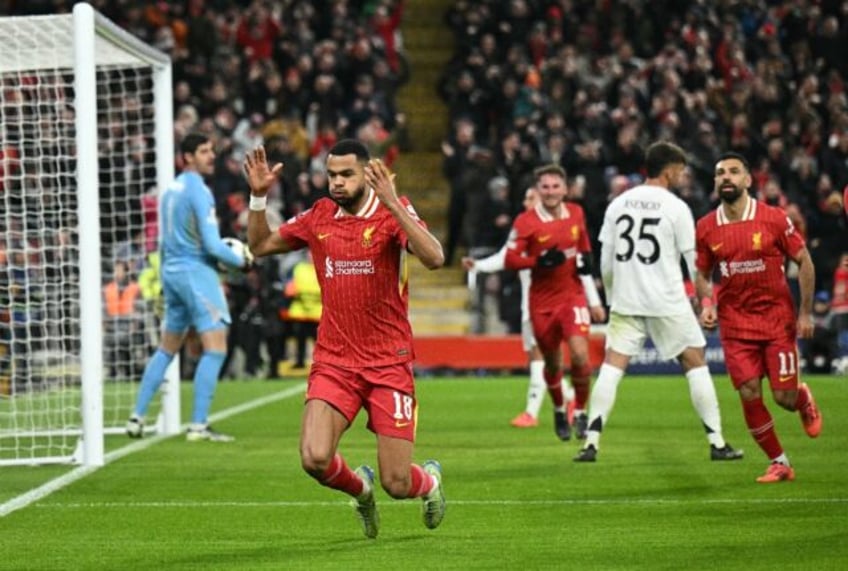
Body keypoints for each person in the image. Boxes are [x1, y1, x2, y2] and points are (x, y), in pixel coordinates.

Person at [243, 140, 446, 539]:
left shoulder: (390, 213)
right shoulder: (319, 216)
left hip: (388, 362)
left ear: (368, 173)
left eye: (346, 174)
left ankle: (432, 483)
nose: (336, 182)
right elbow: (260, 245)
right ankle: (361, 489)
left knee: (399, 483)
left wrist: (393, 203)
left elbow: (435, 258)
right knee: (314, 458)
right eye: (332, 174)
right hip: (335, 361)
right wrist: (258, 197)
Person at [575, 141, 742, 463]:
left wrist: (613, 298)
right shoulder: (675, 207)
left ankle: (591, 444)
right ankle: (717, 442)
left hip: (626, 300)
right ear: (669, 171)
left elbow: (606, 261)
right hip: (667, 299)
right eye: (680, 171)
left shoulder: (618, 204)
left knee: (612, 366)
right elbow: (695, 261)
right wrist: (704, 300)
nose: (681, 176)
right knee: (694, 361)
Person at [694, 151, 822, 483]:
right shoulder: (706, 227)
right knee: (749, 392)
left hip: (777, 321)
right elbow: (703, 273)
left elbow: (804, 261)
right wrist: (707, 303)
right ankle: (780, 462)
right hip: (735, 324)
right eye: (720, 172)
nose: (726, 177)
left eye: (734, 172)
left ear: (748, 180)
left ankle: (802, 396)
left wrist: (805, 312)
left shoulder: (774, 218)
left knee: (784, 398)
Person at [126, 133, 252, 442]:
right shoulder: (199, 191)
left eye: (211, 150)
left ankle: (136, 416)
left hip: (171, 271)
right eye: (203, 151)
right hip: (195, 272)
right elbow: (211, 244)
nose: (211, 155)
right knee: (216, 347)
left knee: (167, 348)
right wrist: (242, 259)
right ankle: (198, 426)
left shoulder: (170, 190)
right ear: (187, 157)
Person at [503, 165, 606, 441]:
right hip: (542, 302)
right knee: (552, 363)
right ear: (538, 190)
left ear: (565, 189)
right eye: (545, 187)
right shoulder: (525, 222)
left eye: (555, 186)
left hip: (572, 296)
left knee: (581, 356)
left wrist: (587, 257)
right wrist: (537, 261)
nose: (550, 192)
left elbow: (582, 241)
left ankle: (580, 411)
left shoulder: (576, 213)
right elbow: (510, 259)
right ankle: (560, 408)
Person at [462, 187, 575, 428]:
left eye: (530, 197)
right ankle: (571, 399)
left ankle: (531, 412)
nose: (526, 202)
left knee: (537, 356)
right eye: (525, 197)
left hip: (546, 304)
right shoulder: (525, 228)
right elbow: (505, 257)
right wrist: (478, 266)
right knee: (544, 357)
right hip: (531, 304)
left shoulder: (553, 230)